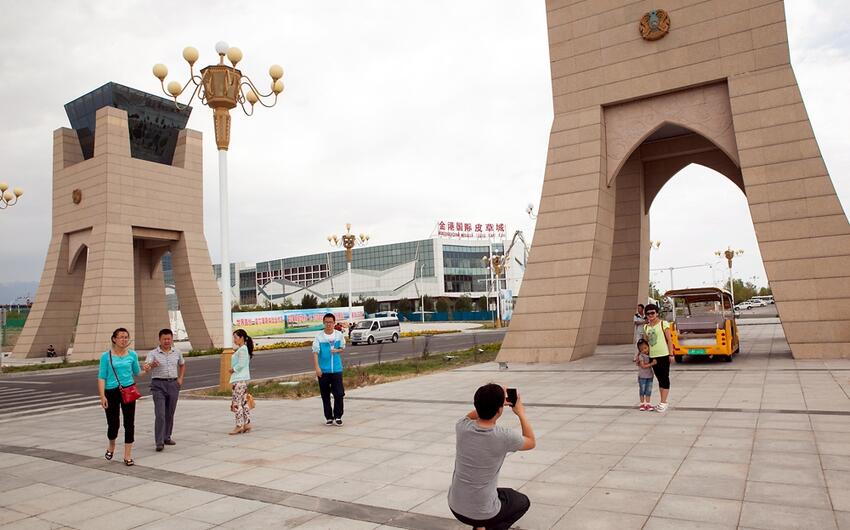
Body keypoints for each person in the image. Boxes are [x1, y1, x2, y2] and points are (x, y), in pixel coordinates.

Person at [448, 383, 536, 530]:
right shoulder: (504, 436)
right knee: (522, 502)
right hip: (482, 512)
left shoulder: (461, 426)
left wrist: (490, 401)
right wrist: (520, 412)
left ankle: (480, 527)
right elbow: (531, 442)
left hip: (455, 506)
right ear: (500, 410)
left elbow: (471, 416)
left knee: (501, 494)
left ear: (476, 405)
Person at [98, 328, 152, 466]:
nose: (124, 340)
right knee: (113, 424)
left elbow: (137, 373)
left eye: (126, 337)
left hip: (128, 391)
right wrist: (102, 395)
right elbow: (101, 377)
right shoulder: (106, 356)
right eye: (121, 337)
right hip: (111, 392)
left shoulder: (132, 355)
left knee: (129, 423)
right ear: (114, 339)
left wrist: (145, 371)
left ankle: (127, 455)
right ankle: (111, 446)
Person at [146, 328, 186, 451]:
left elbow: (182, 364)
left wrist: (180, 379)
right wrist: (151, 365)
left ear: (172, 339)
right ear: (160, 339)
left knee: (170, 413)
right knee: (160, 414)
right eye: (164, 339)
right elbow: (147, 367)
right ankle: (159, 442)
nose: (167, 341)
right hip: (158, 385)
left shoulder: (177, 352)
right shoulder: (153, 353)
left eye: (169, 338)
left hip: (173, 384)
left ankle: (167, 437)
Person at [312, 313, 346, 426]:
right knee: (325, 395)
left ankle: (338, 416)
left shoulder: (339, 335)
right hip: (324, 370)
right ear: (323, 323)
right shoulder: (319, 336)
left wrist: (337, 350)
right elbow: (315, 352)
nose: (328, 324)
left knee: (339, 394)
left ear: (334, 323)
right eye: (326, 322)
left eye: (330, 322)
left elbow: (342, 348)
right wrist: (317, 367)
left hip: (336, 369)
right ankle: (329, 417)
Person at [641, 303, 675, 412]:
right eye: (648, 313)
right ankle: (661, 402)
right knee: (659, 378)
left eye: (652, 313)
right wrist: (640, 356)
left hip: (664, 355)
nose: (650, 315)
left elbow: (669, 340)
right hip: (653, 356)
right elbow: (645, 344)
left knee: (664, 378)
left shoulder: (663, 324)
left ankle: (664, 402)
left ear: (657, 313)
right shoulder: (646, 327)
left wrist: (671, 354)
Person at [229, 329, 253, 434]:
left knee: (236, 403)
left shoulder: (242, 349)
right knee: (243, 403)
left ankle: (239, 425)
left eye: (235, 337)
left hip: (238, 380)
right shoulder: (243, 349)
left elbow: (242, 363)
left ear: (242, 338)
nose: (234, 340)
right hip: (242, 380)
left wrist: (233, 369)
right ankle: (247, 423)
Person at [634, 339, 656, 411]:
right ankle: (642, 404)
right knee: (642, 390)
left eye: (645, 348)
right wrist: (652, 363)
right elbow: (643, 366)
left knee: (648, 390)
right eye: (642, 349)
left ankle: (648, 404)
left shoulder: (650, 354)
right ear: (639, 351)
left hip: (650, 376)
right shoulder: (641, 356)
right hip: (642, 376)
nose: (644, 350)